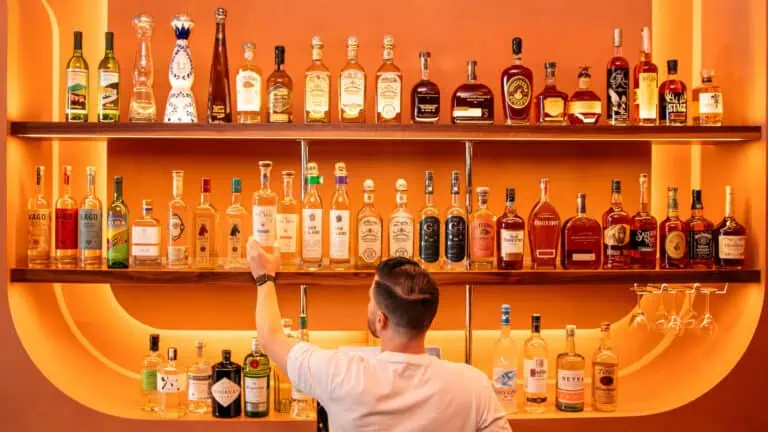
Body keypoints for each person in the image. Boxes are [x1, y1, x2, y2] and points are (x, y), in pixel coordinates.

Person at [248, 238, 511, 432]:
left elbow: (270, 337)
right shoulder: (473, 385)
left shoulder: (340, 373)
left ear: (380, 319)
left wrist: (264, 276)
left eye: (369, 299)